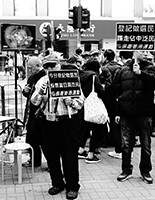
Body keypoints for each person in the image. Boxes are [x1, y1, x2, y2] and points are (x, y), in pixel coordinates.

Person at [31, 53, 84, 199]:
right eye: (47, 66)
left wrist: (71, 102)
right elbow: (34, 101)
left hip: (67, 121)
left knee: (69, 155)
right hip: (48, 122)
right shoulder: (42, 81)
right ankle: (57, 183)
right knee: (51, 155)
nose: (50, 69)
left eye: (53, 65)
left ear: (59, 65)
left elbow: (81, 101)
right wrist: (41, 95)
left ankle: (72, 186)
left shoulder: (70, 78)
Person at [112, 51, 155, 184]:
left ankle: (145, 170)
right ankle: (126, 169)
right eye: (141, 51)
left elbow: (151, 82)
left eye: (145, 51)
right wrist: (118, 112)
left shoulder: (150, 68)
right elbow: (118, 92)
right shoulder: (123, 70)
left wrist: (140, 73)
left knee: (146, 144)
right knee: (126, 144)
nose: (145, 53)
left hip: (144, 112)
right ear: (134, 52)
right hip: (126, 112)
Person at [77, 58, 107, 163]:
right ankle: (91, 154)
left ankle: (80, 150)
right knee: (96, 130)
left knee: (84, 129)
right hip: (93, 107)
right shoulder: (94, 77)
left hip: (82, 106)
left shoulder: (80, 75)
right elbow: (99, 90)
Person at [22, 56, 46, 167]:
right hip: (31, 111)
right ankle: (34, 160)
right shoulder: (31, 77)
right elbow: (27, 92)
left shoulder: (45, 77)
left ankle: (51, 163)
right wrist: (25, 91)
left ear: (38, 66)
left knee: (44, 140)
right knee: (32, 137)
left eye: (31, 68)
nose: (29, 70)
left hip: (42, 112)